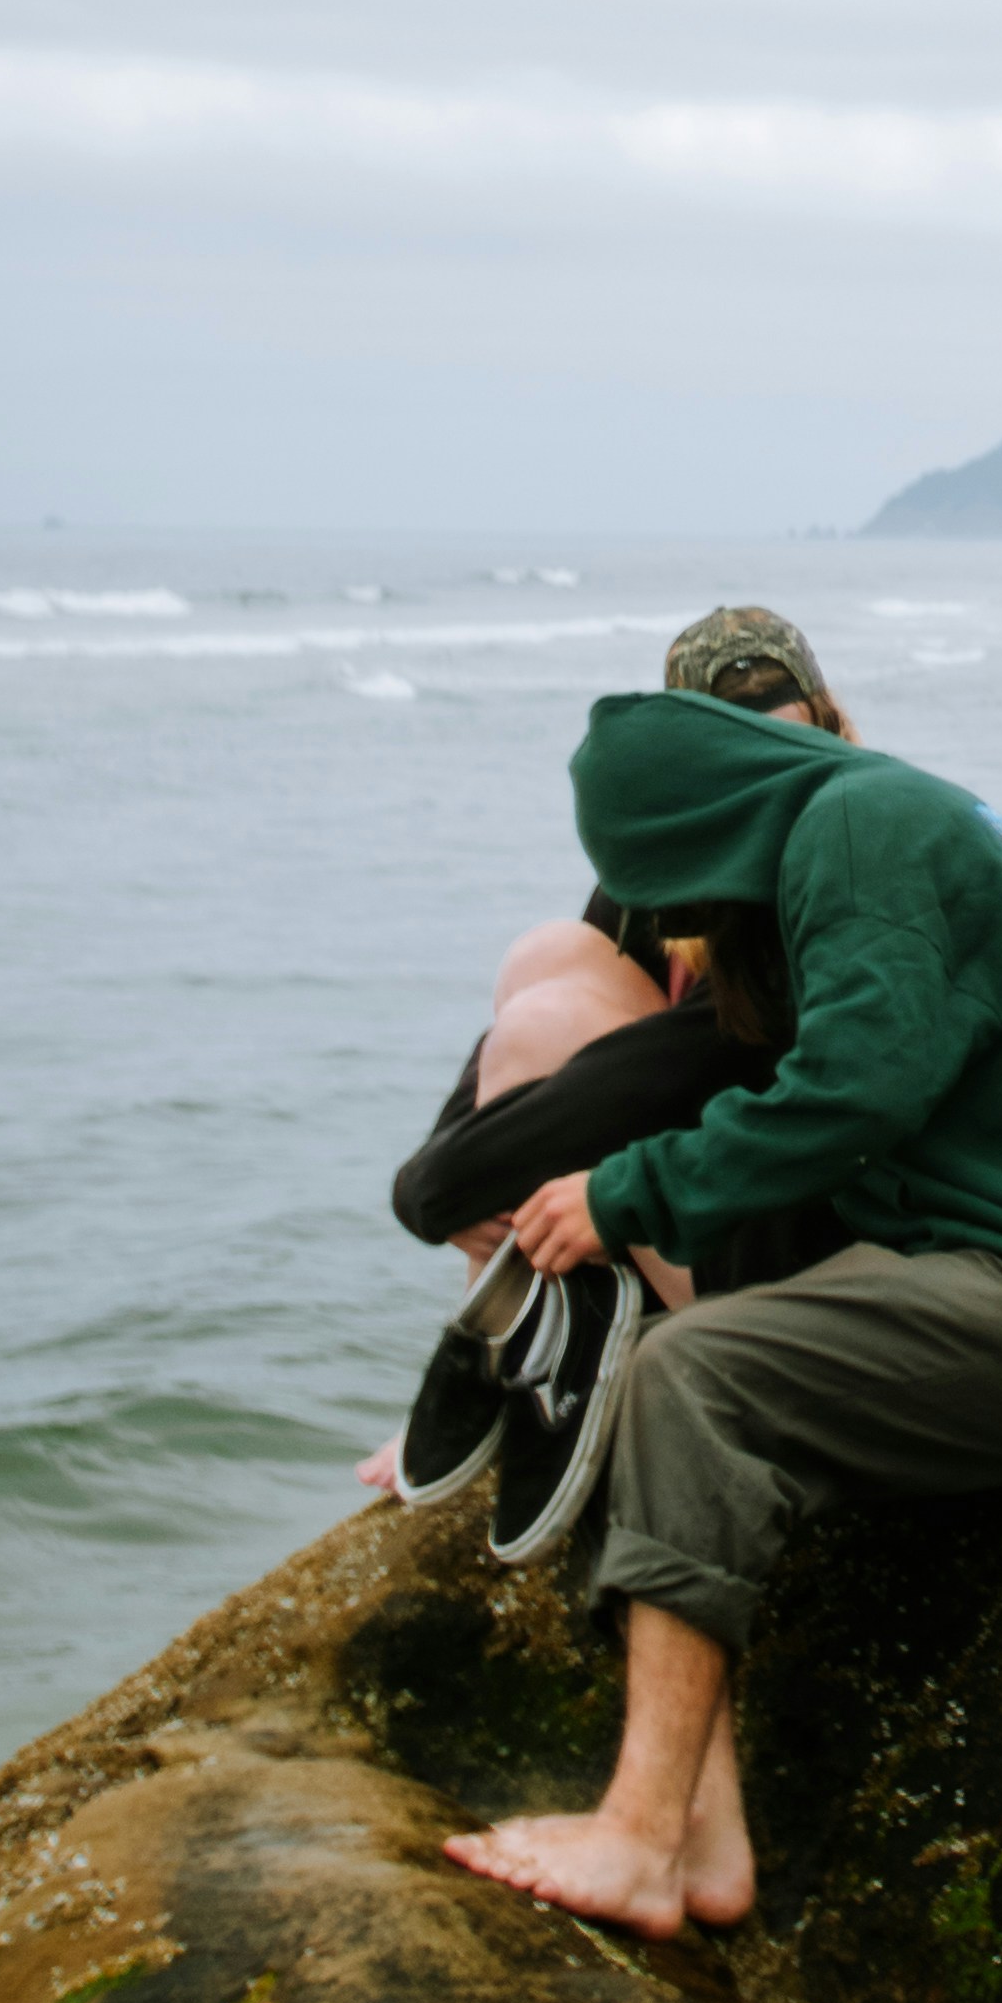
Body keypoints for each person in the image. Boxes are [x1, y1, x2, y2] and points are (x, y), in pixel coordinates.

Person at [440, 666, 1002, 1935]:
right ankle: (700, 1825)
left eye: (655, 874)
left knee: (693, 1379)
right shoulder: (877, 813)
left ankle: (636, 1838)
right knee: (666, 1353)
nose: (665, 911)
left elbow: (858, 1089)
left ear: (692, 824)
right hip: (986, 1255)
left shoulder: (861, 831)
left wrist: (626, 1192)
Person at [360, 606, 861, 1500]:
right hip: (684, 1183)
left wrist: (439, 1187)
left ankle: (509, 1384)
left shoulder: (832, 850)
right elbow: (526, 1034)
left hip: (778, 1219)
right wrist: (441, 1176)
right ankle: (491, 1362)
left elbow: (681, 1062)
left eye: (787, 744)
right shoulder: (675, 855)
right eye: (736, 749)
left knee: (551, 1058)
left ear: (827, 721)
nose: (768, 776)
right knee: (548, 955)